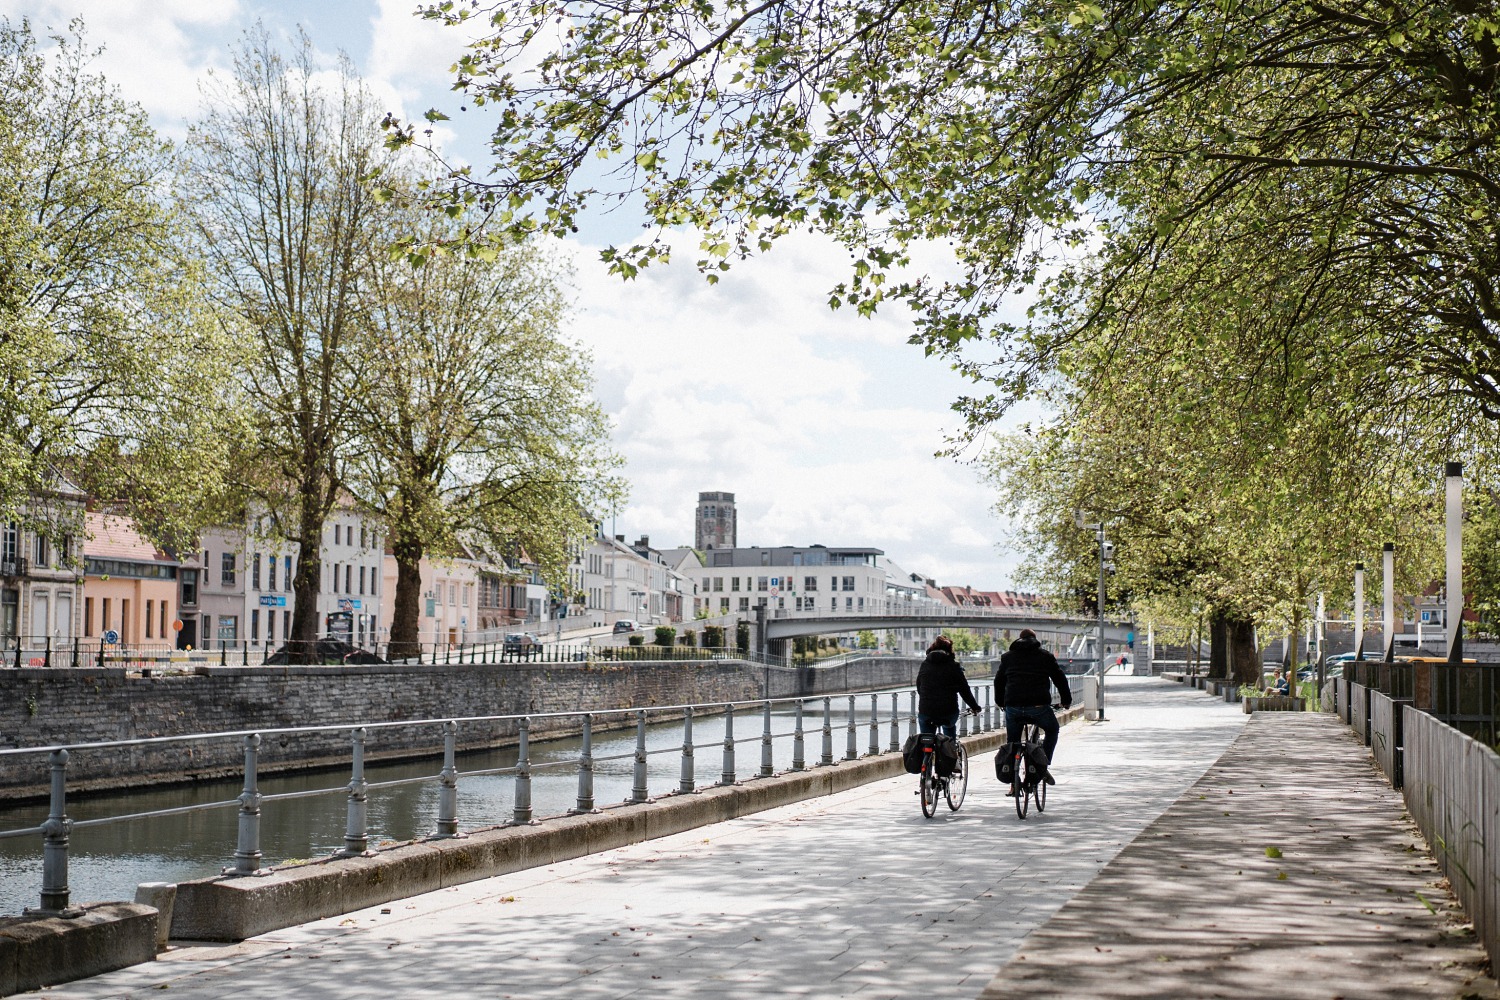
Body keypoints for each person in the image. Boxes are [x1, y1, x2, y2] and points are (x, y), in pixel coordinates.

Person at [995, 628, 1073, 784]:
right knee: (1052, 729)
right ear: (1035, 640)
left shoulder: (1007, 657)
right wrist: (1066, 700)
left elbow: (998, 681)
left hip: (1014, 707)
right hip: (1039, 707)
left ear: (1019, 640)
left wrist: (1001, 702)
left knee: (1013, 742)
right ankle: (1043, 765)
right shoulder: (1045, 657)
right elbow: (1060, 679)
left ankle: (1013, 782)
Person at [916, 635, 982, 740]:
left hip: (926, 710)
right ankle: (949, 747)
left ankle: (926, 754)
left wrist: (928, 697)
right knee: (949, 729)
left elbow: (919, 687)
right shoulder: (954, 666)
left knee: (926, 739)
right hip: (948, 711)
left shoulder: (925, 664)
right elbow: (964, 690)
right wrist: (974, 707)